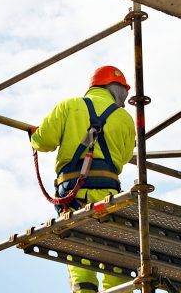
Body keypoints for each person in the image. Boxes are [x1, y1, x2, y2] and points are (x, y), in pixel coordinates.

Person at [30, 65, 136, 293]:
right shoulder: (125, 118)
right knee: (116, 260)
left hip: (73, 196)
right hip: (109, 197)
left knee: (80, 259)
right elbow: (126, 156)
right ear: (116, 90)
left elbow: (43, 141)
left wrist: (34, 135)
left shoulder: (69, 106)